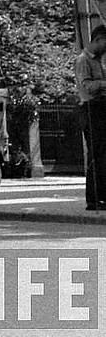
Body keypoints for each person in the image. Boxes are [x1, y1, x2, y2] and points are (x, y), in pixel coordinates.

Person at [75, 23, 106, 211]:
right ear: (98, 39)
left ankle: (103, 196)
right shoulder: (83, 60)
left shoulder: (99, 60)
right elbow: (87, 86)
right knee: (96, 154)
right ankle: (93, 198)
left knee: (104, 154)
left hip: (102, 108)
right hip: (91, 109)